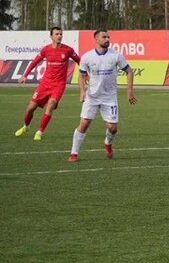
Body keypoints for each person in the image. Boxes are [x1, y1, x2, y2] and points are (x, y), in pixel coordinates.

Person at [70, 29, 136, 162]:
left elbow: (129, 71)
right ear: (96, 39)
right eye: (104, 37)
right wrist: (82, 92)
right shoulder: (87, 57)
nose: (107, 39)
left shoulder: (116, 55)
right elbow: (82, 76)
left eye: (108, 37)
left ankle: (108, 143)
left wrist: (129, 92)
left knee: (113, 127)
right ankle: (74, 153)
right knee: (84, 124)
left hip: (109, 97)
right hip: (92, 96)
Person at [15, 26, 80, 141]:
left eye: (60, 34)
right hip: (45, 84)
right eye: (56, 34)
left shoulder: (68, 50)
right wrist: (25, 75)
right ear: (51, 36)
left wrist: (87, 72)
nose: (59, 36)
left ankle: (39, 132)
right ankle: (26, 127)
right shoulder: (46, 50)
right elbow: (34, 62)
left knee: (50, 105)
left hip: (59, 85)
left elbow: (79, 61)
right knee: (30, 108)